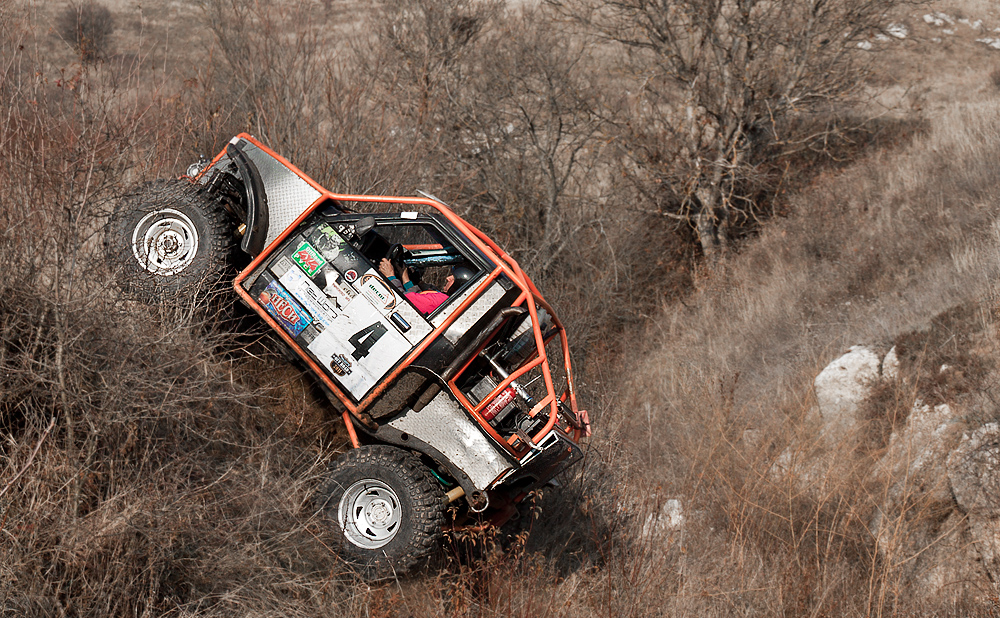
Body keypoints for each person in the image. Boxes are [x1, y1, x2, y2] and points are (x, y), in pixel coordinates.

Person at [378, 258, 472, 315]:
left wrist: (390, 276)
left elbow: (400, 300)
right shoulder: (444, 300)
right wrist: (404, 277)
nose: (448, 278)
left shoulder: (439, 301)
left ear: (459, 285)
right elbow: (418, 296)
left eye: (453, 278)